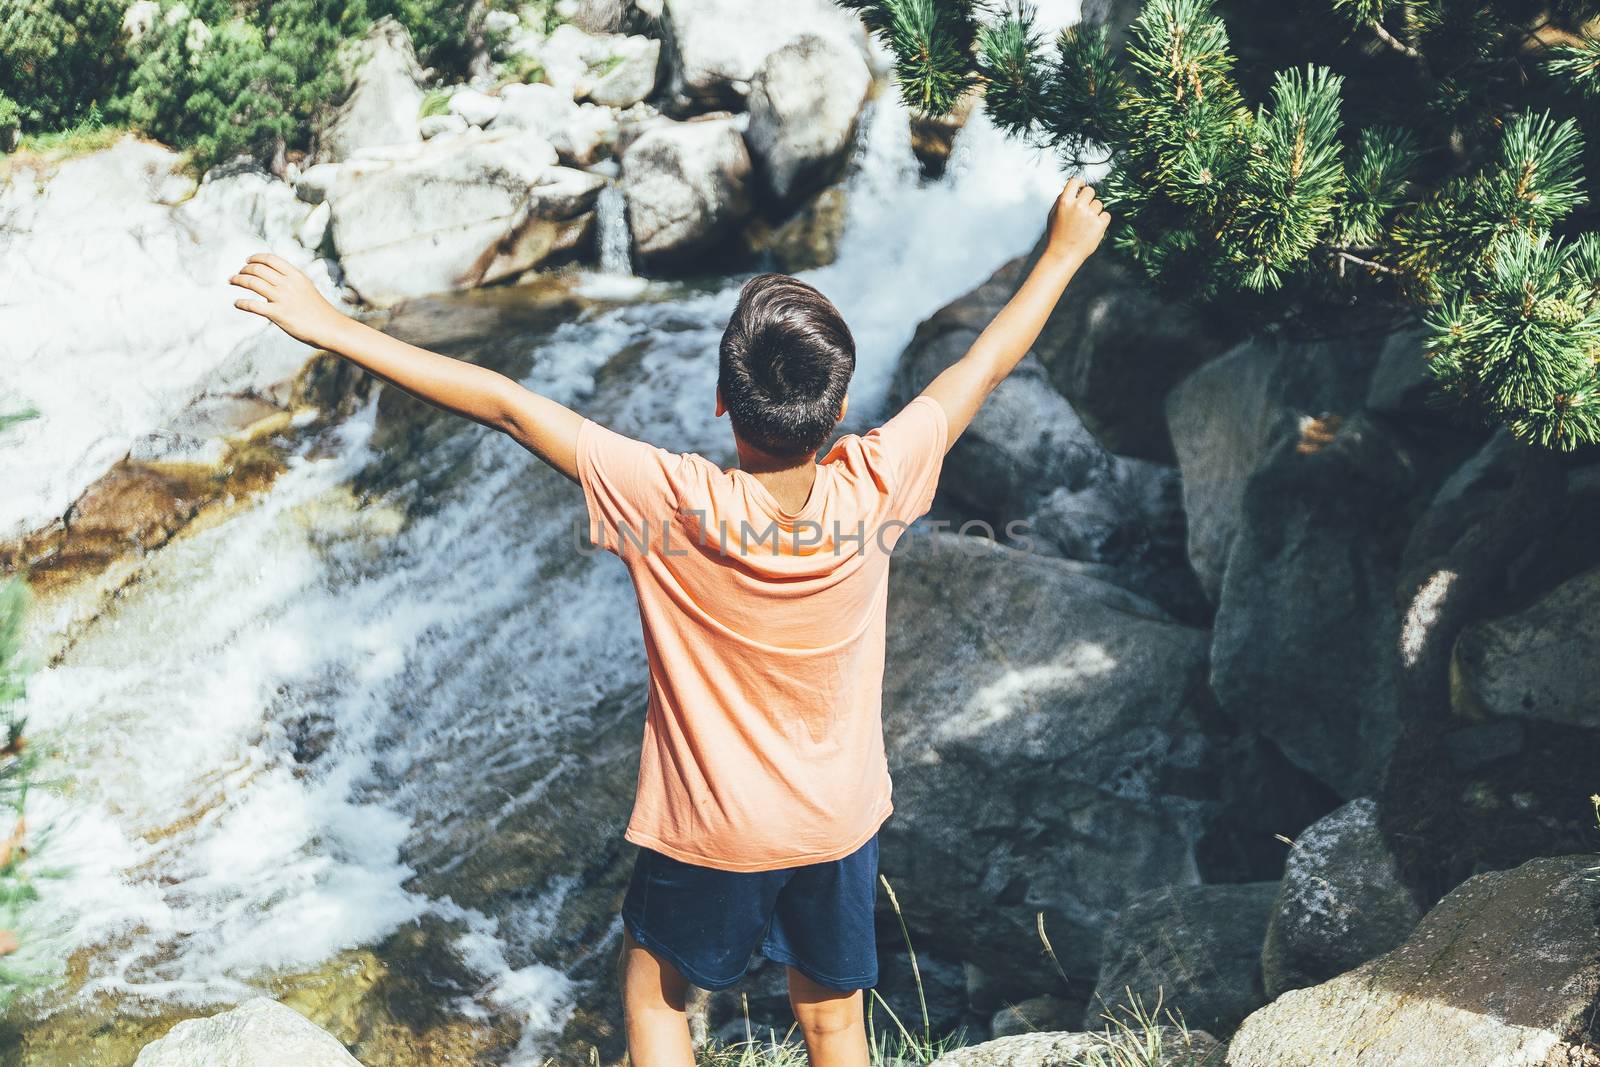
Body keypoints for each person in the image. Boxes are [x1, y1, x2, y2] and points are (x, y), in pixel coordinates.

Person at [230, 177, 1110, 1067]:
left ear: (723, 400)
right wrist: (1065, 252)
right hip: (838, 819)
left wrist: (333, 325)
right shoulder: (879, 479)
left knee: (656, 999)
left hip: (715, 826)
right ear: (837, 411)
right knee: (835, 1020)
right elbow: (984, 364)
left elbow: (504, 404)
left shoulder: (669, 498)